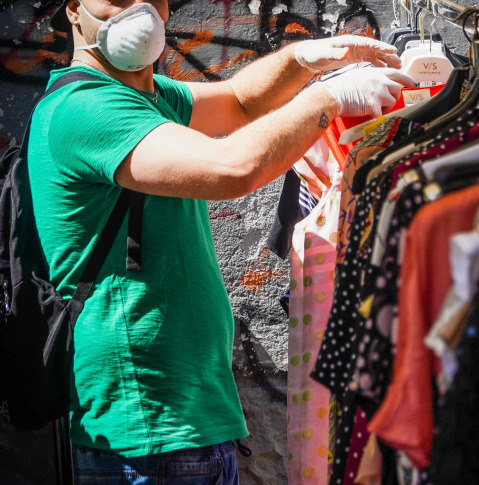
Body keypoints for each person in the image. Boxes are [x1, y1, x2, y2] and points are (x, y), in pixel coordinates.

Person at [27, 0, 413, 481]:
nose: (140, 9)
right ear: (73, 9)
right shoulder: (87, 109)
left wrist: (304, 60)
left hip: (185, 412)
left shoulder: (143, 96)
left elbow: (238, 102)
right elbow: (231, 169)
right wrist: (326, 100)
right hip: (146, 421)